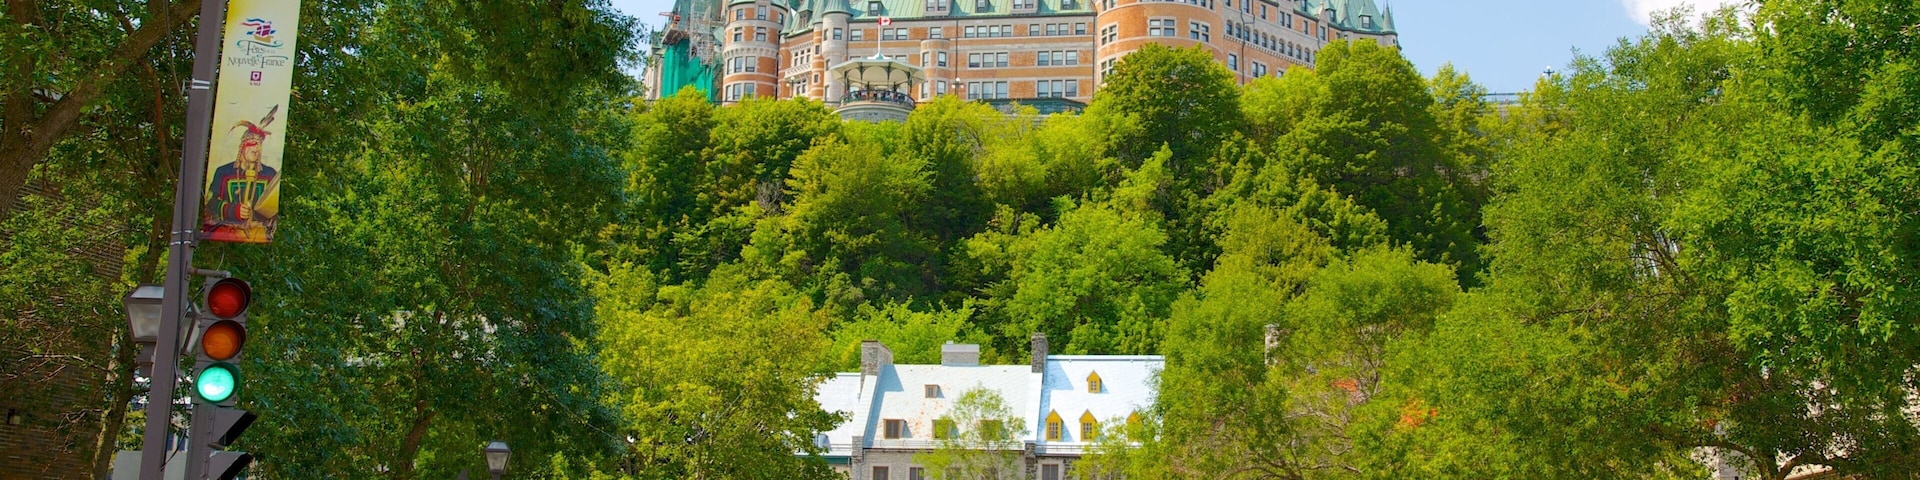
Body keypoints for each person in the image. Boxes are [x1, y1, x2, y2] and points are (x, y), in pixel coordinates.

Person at [203, 107, 280, 242]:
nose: (256, 149)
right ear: (242, 146)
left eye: (259, 145)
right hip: (228, 231)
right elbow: (210, 203)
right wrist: (232, 210)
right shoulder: (224, 172)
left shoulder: (269, 174)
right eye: (253, 144)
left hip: (258, 233)